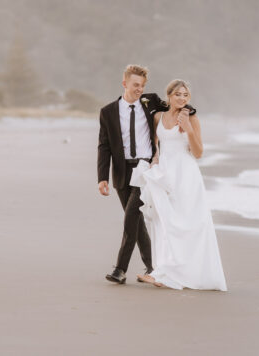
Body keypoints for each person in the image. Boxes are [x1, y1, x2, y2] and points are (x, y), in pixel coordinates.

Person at [97, 65, 195, 284]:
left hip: (146, 170)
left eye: (142, 85)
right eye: (135, 85)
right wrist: (102, 177)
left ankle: (120, 269)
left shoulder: (150, 101)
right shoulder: (108, 112)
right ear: (124, 84)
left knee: (131, 217)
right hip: (122, 172)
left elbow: (175, 104)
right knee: (136, 222)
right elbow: (104, 146)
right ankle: (153, 266)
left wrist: (189, 112)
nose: (139, 89)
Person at [131, 79, 227, 291]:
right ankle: (163, 271)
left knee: (188, 224)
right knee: (164, 221)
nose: (182, 98)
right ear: (169, 96)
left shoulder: (192, 117)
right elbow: (156, 145)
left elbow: (199, 153)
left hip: (186, 175)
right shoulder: (158, 117)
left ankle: (185, 273)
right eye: (178, 95)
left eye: (185, 95)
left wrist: (188, 130)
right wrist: (155, 159)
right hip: (165, 173)